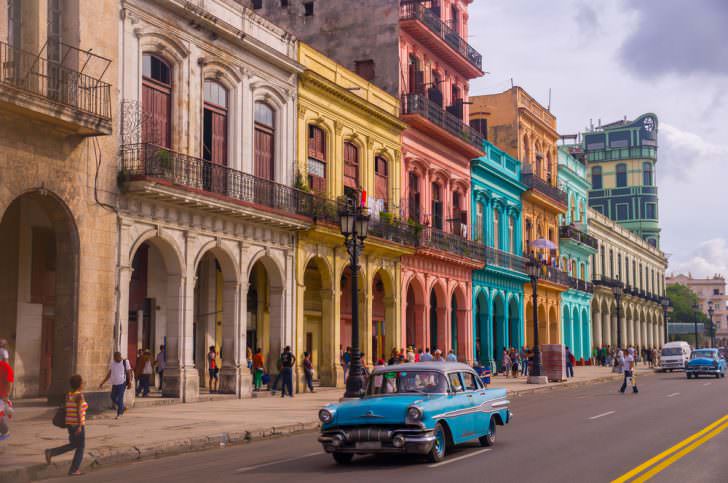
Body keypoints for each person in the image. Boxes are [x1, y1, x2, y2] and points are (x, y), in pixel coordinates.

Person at [45, 374, 87, 476]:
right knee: (81, 447)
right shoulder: (79, 396)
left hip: (70, 424)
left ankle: (51, 452)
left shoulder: (69, 395)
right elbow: (79, 411)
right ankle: (74, 469)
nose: (83, 384)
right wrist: (80, 426)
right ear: (79, 384)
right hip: (77, 424)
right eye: (82, 382)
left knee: (73, 445)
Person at [99, 352, 132, 419]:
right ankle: (122, 407)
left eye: (117, 357)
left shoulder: (125, 362)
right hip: (115, 383)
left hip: (122, 383)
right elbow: (109, 374)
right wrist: (103, 382)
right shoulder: (113, 363)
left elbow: (129, 372)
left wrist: (130, 382)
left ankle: (119, 413)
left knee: (120, 398)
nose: (116, 359)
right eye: (115, 357)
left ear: (120, 356)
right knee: (113, 397)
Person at [0, 354, 14, 441]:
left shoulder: (6, 367)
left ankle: (5, 431)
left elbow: (10, 382)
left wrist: (6, 395)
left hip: (2, 395)